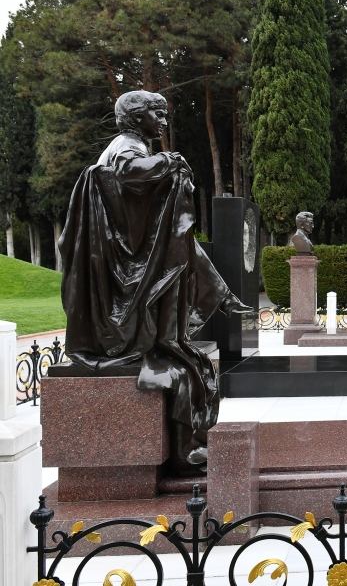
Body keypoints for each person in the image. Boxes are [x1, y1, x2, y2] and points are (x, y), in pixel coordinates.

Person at [58, 90, 252, 472]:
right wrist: (169, 161)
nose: (163, 122)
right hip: (124, 286)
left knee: (185, 358)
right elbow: (129, 176)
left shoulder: (133, 149)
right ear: (136, 117)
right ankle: (185, 450)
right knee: (180, 362)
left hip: (133, 273)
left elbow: (168, 232)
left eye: (165, 115)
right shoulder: (124, 150)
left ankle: (186, 447)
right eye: (157, 115)